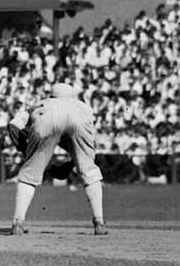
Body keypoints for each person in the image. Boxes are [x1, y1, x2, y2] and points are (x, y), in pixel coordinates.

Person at [7, 82, 108, 235]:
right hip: (79, 120)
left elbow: (13, 125)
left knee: (29, 174)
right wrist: (75, 162)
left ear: (52, 95)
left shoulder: (40, 104)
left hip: (45, 119)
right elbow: (91, 144)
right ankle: (99, 222)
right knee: (89, 170)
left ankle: (17, 223)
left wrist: (27, 152)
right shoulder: (82, 106)